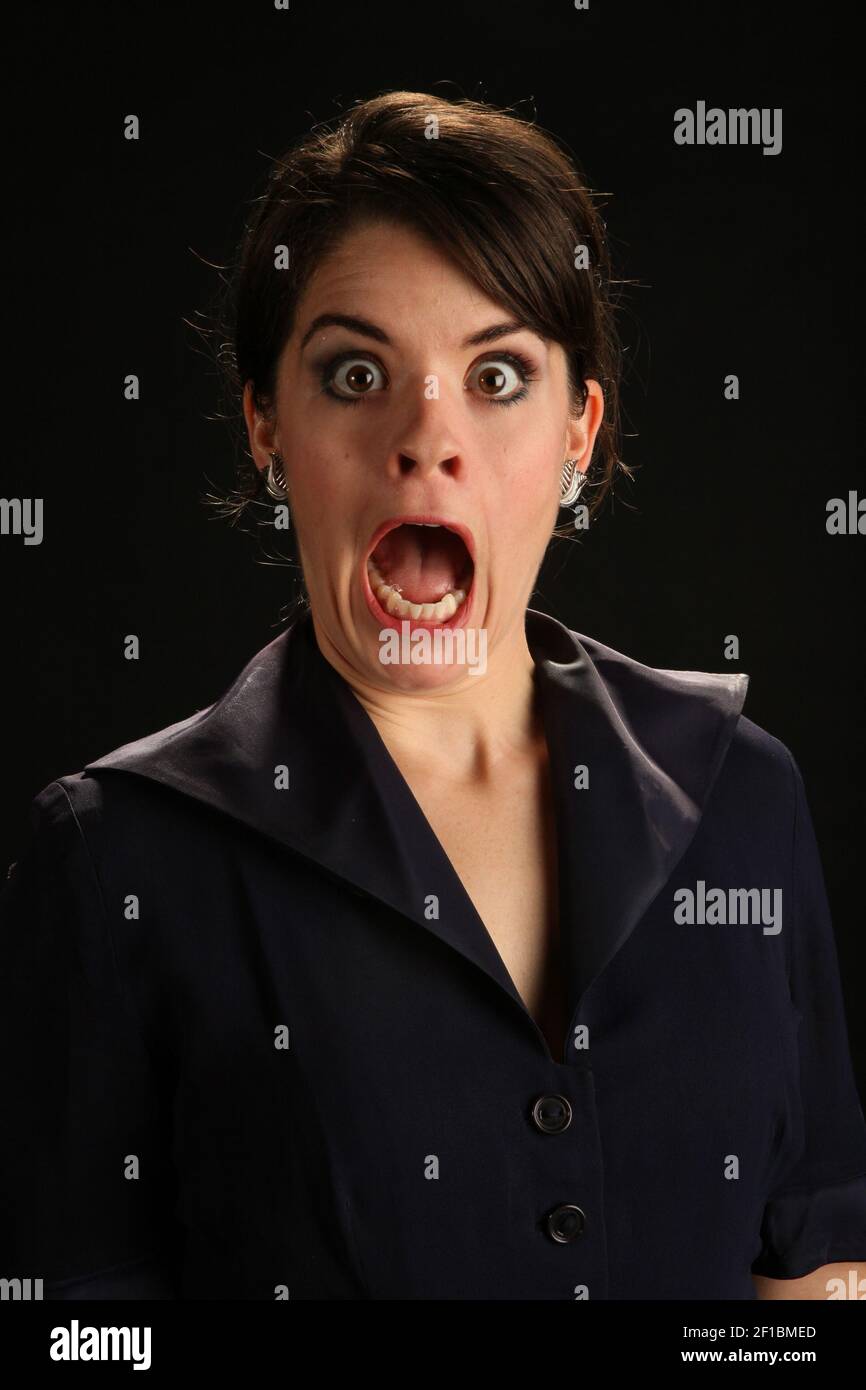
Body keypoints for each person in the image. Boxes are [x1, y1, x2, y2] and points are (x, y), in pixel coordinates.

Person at [2, 90, 865, 1301]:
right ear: (265, 426)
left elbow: (814, 1258)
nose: (427, 437)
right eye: (356, 372)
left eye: (498, 376)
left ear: (579, 428)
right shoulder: (113, 860)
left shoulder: (743, 794)